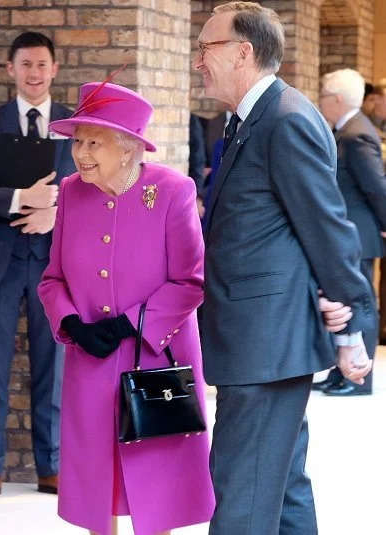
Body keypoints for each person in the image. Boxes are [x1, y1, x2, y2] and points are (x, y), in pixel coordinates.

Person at [193, 3, 374, 533]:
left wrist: (353, 324)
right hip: (260, 343)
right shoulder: (255, 118)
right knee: (282, 489)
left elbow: (327, 227)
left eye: (206, 47)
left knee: (242, 499)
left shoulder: (285, 118)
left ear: (242, 52)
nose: (198, 60)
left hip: (265, 347)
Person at [37, 81, 215, 535]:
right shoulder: (72, 192)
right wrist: (72, 322)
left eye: (95, 142)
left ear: (130, 147)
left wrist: (131, 323)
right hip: (91, 360)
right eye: (78, 140)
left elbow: (191, 281)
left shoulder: (173, 191)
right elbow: (52, 279)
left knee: (154, 479)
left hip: (155, 357)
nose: (81, 153)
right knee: (97, 480)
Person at [0, 31, 75, 502]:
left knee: (54, 368)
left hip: (55, 262)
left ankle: (50, 465)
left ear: (54, 69)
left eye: (42, 65)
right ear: (11, 69)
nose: (34, 73)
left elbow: (91, 187)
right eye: (25, 65)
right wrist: (19, 199)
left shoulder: (73, 123)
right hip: (0, 261)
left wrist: (54, 210)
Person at [315, 68, 386, 396]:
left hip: (360, 235)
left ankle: (360, 378)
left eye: (324, 96)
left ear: (338, 99)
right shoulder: (346, 130)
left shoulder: (357, 133)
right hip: (346, 235)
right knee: (343, 302)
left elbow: (376, 188)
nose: (320, 101)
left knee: (360, 304)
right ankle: (341, 371)